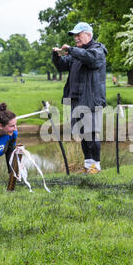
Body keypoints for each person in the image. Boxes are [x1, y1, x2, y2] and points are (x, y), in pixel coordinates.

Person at [52, 22, 108, 175]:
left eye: (78, 34)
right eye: (74, 35)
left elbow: (90, 59)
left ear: (88, 34)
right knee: (83, 134)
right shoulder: (76, 53)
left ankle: (96, 167)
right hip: (76, 100)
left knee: (91, 134)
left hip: (91, 100)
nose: (76, 38)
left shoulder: (97, 50)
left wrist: (71, 50)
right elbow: (63, 65)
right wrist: (57, 56)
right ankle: (88, 164)